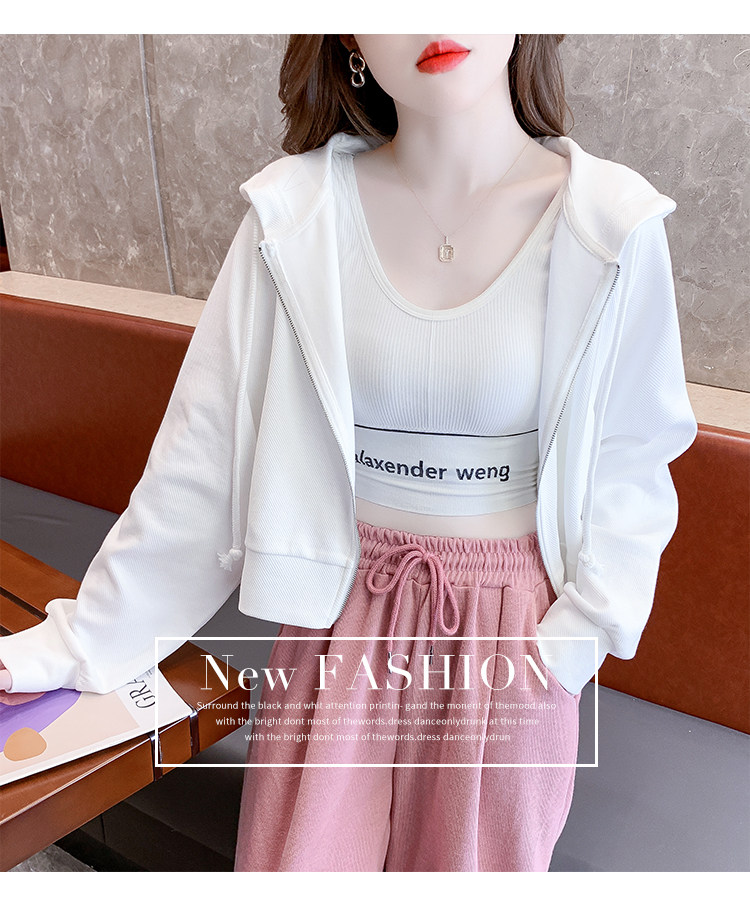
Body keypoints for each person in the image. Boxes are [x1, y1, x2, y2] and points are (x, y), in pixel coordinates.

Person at [0, 35, 697, 872]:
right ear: (349, 39)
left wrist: (572, 644)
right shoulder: (295, 215)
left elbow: (633, 457)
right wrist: (83, 642)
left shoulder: (611, 223)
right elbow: (202, 460)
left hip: (513, 636)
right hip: (340, 614)